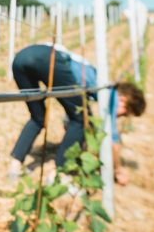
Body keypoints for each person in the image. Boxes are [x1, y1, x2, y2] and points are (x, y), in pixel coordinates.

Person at [8, 43, 146, 185]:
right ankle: (59, 173)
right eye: (125, 113)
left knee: (38, 117)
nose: (120, 116)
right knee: (81, 119)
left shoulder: (97, 80)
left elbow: (70, 116)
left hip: (20, 58)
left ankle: (15, 165)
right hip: (49, 58)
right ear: (124, 100)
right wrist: (118, 170)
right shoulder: (111, 94)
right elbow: (112, 140)